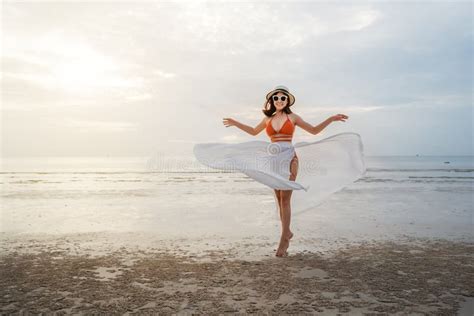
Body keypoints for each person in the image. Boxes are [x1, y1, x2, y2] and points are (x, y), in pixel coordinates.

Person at [193, 85, 365, 257]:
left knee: (285, 199)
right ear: (272, 101)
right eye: (276, 98)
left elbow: (314, 131)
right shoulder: (268, 119)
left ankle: (284, 240)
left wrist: (330, 119)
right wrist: (236, 122)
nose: (280, 100)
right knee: (278, 198)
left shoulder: (293, 117)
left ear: (288, 100)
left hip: (290, 157)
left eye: (283, 98)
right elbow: (253, 132)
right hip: (273, 160)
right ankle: (287, 232)